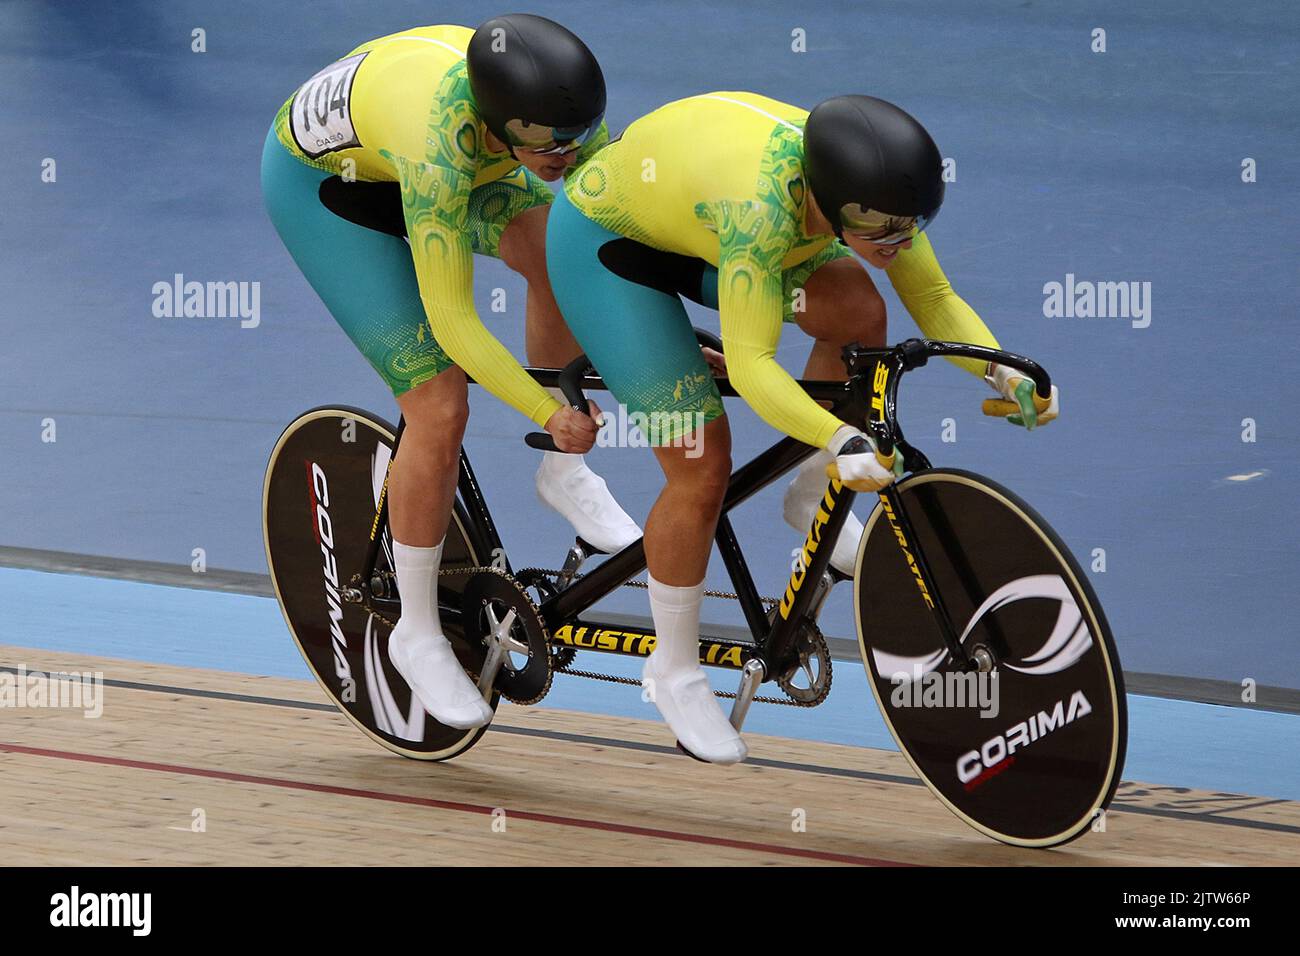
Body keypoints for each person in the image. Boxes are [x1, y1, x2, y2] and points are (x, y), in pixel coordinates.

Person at [546, 92, 1059, 763]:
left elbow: (931, 297)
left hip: (690, 235)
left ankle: (809, 492)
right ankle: (671, 670)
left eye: (911, 229)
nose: (899, 245)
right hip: (606, 249)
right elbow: (754, 366)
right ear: (839, 202)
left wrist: (1004, 377)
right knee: (701, 463)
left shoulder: (875, 195)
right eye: (885, 234)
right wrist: (843, 439)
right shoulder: (762, 210)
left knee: (857, 312)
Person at [262, 16, 640, 730]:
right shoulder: (442, 147)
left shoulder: (555, 115)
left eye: (577, 140)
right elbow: (456, 325)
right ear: (502, 126)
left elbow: (612, 235)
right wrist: (545, 409)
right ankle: (414, 630)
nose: (567, 156)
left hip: (417, 155)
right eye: (550, 148)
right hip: (328, 194)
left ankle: (563, 475)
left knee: (557, 258)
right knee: (439, 404)